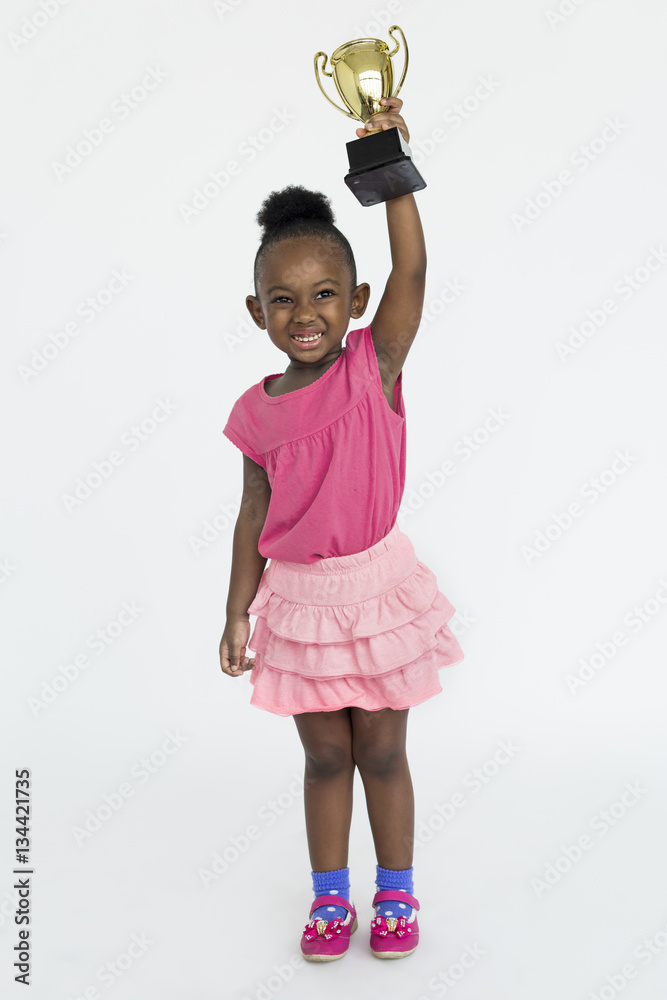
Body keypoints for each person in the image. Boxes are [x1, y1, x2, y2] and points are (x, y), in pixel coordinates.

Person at [219, 96, 465, 962]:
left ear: (355, 300)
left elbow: (414, 271)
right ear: (257, 313)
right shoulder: (254, 413)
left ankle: (394, 893)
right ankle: (332, 901)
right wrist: (235, 612)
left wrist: (382, 158)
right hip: (298, 604)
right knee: (327, 757)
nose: (305, 312)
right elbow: (253, 513)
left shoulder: (375, 365)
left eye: (324, 294)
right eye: (282, 299)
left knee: (382, 751)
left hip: (374, 591)